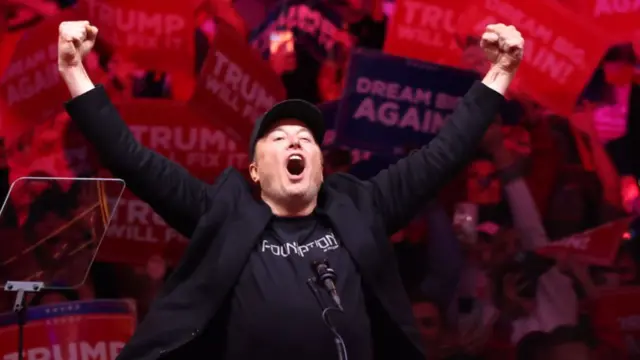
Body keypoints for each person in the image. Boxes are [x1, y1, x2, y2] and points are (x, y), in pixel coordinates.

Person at [57, 20, 524, 360]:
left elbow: (442, 154)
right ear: (255, 172)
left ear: (321, 164)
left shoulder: (362, 205)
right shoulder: (222, 212)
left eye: (307, 138)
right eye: (278, 138)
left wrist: (500, 72)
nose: (296, 140)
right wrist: (76, 72)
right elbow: (132, 160)